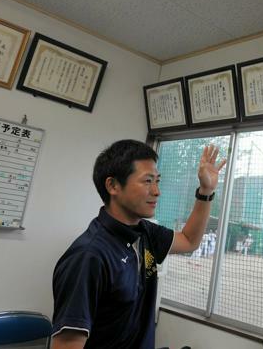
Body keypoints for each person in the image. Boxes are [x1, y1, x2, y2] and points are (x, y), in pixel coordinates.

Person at [51, 140, 226, 349]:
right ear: (113, 185)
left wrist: (206, 190)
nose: (157, 191)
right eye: (147, 181)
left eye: (157, 181)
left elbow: (189, 241)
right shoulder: (89, 256)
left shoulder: (146, 232)